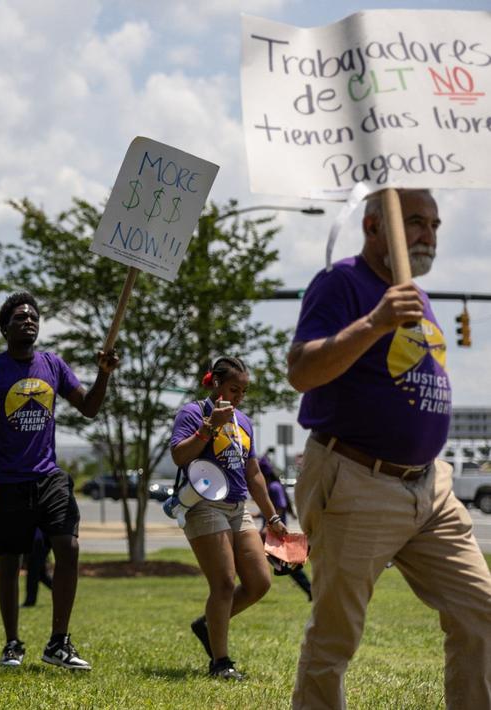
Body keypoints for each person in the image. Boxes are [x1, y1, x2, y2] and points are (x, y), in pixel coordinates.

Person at [286, 189, 491, 709]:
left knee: (480, 609)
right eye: (416, 222)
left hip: (430, 487)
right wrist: (374, 322)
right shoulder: (343, 283)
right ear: (375, 227)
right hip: (358, 479)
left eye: (436, 225)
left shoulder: (415, 297)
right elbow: (301, 370)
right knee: (336, 637)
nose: (429, 235)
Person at [0, 291, 118, 670]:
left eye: (33, 316)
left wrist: (103, 374)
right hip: (7, 480)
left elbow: (89, 408)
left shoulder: (52, 364)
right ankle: (12, 643)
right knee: (10, 559)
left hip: (49, 476)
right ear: (6, 328)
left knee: (68, 547)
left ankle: (58, 643)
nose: (29, 320)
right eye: (20, 317)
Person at [169, 356, 288, 680]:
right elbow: (180, 455)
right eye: (234, 389)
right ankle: (220, 662)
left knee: (259, 582)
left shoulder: (243, 422)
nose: (239, 397)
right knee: (223, 582)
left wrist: (273, 516)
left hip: (238, 507)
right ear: (216, 384)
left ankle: (208, 625)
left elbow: (254, 474)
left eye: (244, 391)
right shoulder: (193, 413)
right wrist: (209, 427)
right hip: (204, 504)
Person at [261, 463, 311, 601]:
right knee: (284, 565)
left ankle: (310, 589)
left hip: (274, 532)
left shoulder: (273, 487)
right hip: (271, 530)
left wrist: (270, 524)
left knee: (286, 565)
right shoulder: (272, 486)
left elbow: (281, 506)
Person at [22, 529, 53, 608]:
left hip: (39, 540)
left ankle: (30, 601)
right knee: (41, 574)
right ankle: (63, 592)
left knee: (33, 572)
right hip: (37, 539)